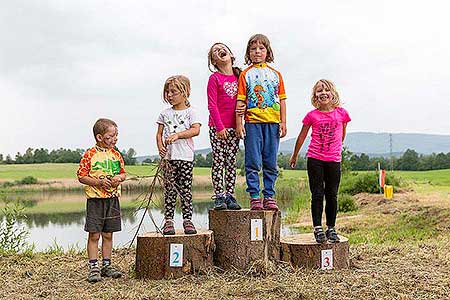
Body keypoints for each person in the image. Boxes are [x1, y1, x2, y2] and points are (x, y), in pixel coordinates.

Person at [289, 79, 351, 243]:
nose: (323, 93)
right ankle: (318, 228)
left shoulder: (342, 113)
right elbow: (302, 136)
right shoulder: (312, 115)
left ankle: (331, 228)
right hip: (315, 159)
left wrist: (335, 149)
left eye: (326, 90)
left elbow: (342, 134)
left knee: (332, 195)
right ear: (315, 96)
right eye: (319, 91)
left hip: (334, 160)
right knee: (317, 193)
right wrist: (295, 155)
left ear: (333, 93)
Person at [236, 33, 287, 211]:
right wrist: (239, 123)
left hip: (272, 123)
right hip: (252, 123)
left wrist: (283, 122)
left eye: (261, 48)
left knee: (270, 162)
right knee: (253, 161)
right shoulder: (245, 74)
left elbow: (281, 100)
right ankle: (255, 196)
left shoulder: (276, 75)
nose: (257, 51)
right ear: (248, 53)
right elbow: (240, 101)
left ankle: (270, 195)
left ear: (267, 51)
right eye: (253, 49)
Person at [77, 118, 126, 283]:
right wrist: (98, 182)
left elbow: (123, 173)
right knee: (94, 234)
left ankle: (106, 265)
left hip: (112, 199)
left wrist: (119, 177)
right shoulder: (90, 155)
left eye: (116, 135)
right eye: (111, 136)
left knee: (108, 234)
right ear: (99, 137)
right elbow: (81, 176)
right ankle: (93, 267)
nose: (115, 139)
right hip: (96, 200)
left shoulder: (116, 154)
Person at [156, 75, 201, 235]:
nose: (169, 95)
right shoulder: (164, 114)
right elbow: (159, 134)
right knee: (169, 190)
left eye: (173, 92)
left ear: (185, 92)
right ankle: (168, 221)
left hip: (185, 158)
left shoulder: (191, 112)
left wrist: (177, 135)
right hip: (169, 159)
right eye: (167, 92)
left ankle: (187, 220)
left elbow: (195, 130)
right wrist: (161, 147)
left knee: (185, 190)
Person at [207, 42, 242, 210]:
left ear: (231, 54)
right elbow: (212, 105)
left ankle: (230, 195)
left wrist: (239, 125)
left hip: (235, 128)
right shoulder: (214, 78)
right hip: (217, 128)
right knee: (219, 161)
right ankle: (219, 196)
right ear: (214, 61)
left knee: (231, 161)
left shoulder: (239, 77)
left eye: (222, 48)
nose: (219, 51)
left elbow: (243, 104)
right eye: (215, 51)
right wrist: (219, 127)